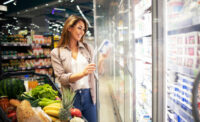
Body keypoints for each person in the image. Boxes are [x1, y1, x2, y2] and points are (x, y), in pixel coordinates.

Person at [51, 15, 105, 122]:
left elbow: (98, 73)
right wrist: (83, 73)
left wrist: (102, 60)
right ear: (69, 28)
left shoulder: (88, 48)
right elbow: (61, 78)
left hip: (89, 96)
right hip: (71, 99)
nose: (82, 32)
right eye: (79, 28)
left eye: (84, 29)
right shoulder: (56, 52)